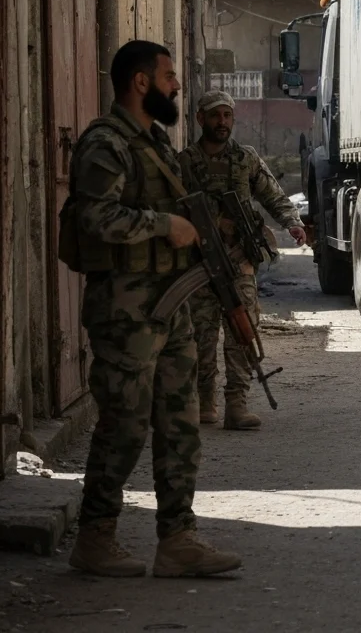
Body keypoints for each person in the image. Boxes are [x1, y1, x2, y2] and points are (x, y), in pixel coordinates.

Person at [63, 40, 240, 578]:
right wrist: (164, 226)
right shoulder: (105, 143)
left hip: (170, 302)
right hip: (125, 309)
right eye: (168, 76)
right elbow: (96, 217)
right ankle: (95, 537)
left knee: (180, 421)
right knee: (124, 424)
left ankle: (178, 540)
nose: (177, 86)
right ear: (140, 82)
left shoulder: (156, 142)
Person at [179, 91, 306, 431]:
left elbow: (272, 194)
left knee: (241, 331)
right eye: (215, 115)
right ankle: (205, 401)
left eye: (227, 115)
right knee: (201, 337)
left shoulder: (244, 158)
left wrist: (292, 223)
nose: (222, 122)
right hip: (198, 263)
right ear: (200, 119)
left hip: (239, 262)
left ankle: (237, 404)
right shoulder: (185, 162)